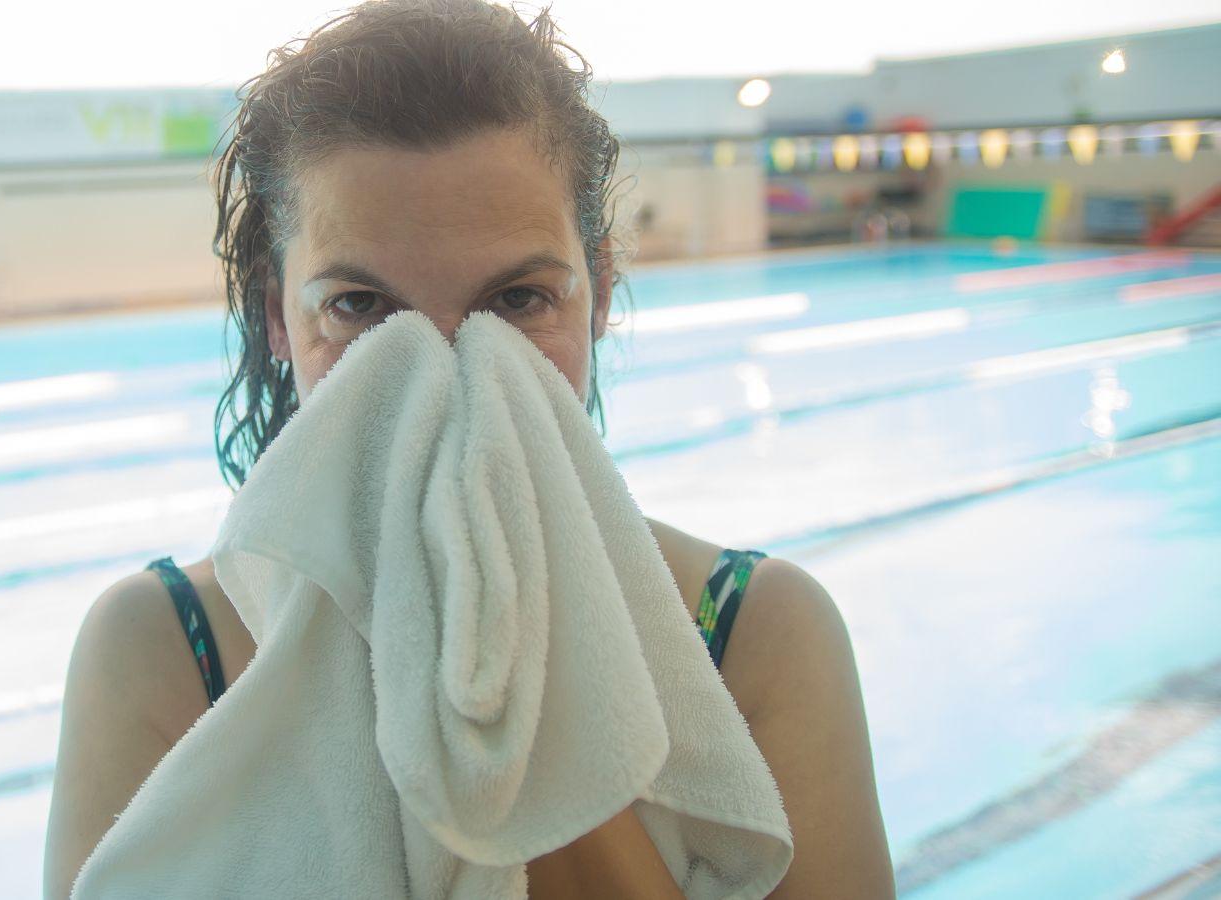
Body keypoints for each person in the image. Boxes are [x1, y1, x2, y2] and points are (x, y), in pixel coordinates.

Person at [43, 1, 896, 897]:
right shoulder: (158, 648)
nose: (442, 381)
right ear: (276, 319)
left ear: (599, 296)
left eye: (518, 302)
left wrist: (541, 668)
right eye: (361, 308)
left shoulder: (760, 633)